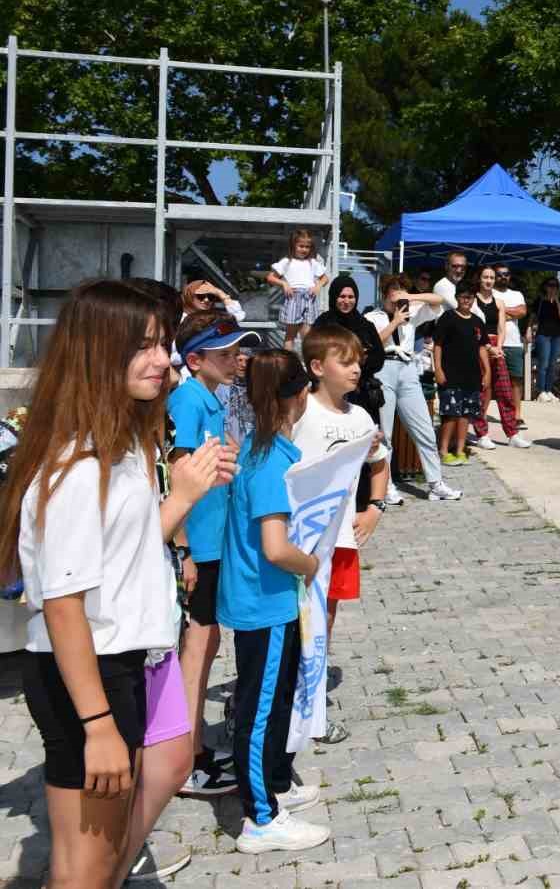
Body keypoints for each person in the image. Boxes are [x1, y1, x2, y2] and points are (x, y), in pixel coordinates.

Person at [2, 280, 231, 887]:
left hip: (117, 661)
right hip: (91, 675)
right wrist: (99, 726)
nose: (164, 361)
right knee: (84, 875)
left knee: (97, 869)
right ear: (98, 355)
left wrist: (184, 495)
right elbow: (63, 607)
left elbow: (126, 552)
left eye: (162, 345)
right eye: (144, 348)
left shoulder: (119, 446)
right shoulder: (79, 469)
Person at [219, 348, 330, 853]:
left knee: (276, 697)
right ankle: (260, 817)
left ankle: (276, 786)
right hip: (264, 603)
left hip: (271, 601)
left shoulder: (263, 449)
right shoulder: (266, 464)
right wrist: (309, 565)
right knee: (259, 710)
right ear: (300, 394)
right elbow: (275, 547)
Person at [169, 312, 261, 803]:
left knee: (205, 647)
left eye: (236, 352)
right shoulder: (187, 399)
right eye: (224, 354)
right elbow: (176, 473)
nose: (235, 360)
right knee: (197, 650)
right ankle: (185, 759)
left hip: (212, 542)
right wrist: (182, 549)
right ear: (195, 359)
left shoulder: (210, 397)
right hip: (198, 547)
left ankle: (193, 746)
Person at [292, 325, 391, 744]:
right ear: (317, 367)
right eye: (344, 361)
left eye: (358, 361)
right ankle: (284, 698)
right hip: (298, 542)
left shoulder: (362, 417)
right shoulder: (298, 411)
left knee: (325, 617)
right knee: (291, 619)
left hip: (342, 543)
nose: (355, 370)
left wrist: (374, 509)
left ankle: (310, 700)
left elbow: (379, 465)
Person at [367, 277, 459, 501]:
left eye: (401, 291)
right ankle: (386, 486)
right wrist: (394, 322)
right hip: (384, 368)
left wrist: (412, 297)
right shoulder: (372, 316)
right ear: (384, 294)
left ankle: (435, 483)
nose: (397, 295)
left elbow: (440, 300)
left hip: (408, 369)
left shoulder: (412, 312)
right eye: (393, 291)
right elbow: (371, 343)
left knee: (425, 428)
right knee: (385, 433)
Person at [313, 276, 386, 425]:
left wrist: (359, 363)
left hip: (361, 395)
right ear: (334, 296)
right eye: (342, 296)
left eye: (351, 297)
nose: (346, 301)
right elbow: (313, 353)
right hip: (330, 394)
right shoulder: (323, 323)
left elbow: (378, 358)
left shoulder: (366, 325)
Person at [468, 265, 528, 449]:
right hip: (478, 347)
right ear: (480, 279)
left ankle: (512, 433)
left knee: (504, 391)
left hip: (496, 348)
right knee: (483, 391)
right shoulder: (472, 301)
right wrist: (487, 346)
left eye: (491, 278)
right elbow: (472, 326)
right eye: (486, 277)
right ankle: (482, 433)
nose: (489, 281)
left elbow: (502, 328)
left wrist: (499, 347)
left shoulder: (499, 303)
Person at [432, 287, 489, 465]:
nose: (467, 300)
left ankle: (459, 449)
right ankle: (443, 450)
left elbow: (482, 348)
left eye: (470, 297)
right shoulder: (447, 318)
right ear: (457, 298)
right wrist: (438, 369)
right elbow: (438, 345)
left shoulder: (478, 321)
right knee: (450, 414)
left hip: (472, 376)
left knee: (466, 415)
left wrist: (487, 371)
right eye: (464, 296)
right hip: (450, 375)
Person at [266, 228, 329, 350]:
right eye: (301, 246)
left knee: (307, 335)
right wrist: (284, 284)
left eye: (307, 247)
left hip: (310, 299)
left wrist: (318, 286)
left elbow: (325, 278)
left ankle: (307, 363)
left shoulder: (312, 262)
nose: (304, 249)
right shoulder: (287, 262)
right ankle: (288, 362)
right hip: (293, 298)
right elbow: (270, 277)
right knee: (290, 335)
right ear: (293, 245)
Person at [493, 265, 530, 415]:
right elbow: (489, 311)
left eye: (506, 274)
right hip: (494, 342)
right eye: (499, 274)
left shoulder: (517, 294)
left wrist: (501, 309)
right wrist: (509, 311)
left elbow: (522, 312)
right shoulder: (489, 292)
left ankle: (516, 415)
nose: (503, 277)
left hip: (514, 343)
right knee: (490, 382)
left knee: (516, 380)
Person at [531, 278, 560, 402]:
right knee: (543, 364)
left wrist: (556, 301)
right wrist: (529, 330)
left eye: (555, 286)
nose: (553, 288)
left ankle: (549, 389)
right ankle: (541, 390)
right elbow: (533, 317)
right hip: (543, 335)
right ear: (545, 287)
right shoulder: (540, 301)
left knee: (553, 365)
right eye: (550, 285)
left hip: (556, 335)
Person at [180, 279, 245, 322]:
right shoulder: (178, 317)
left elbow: (238, 316)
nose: (206, 300)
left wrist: (219, 293)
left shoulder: (214, 315)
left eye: (210, 296)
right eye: (200, 296)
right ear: (189, 296)